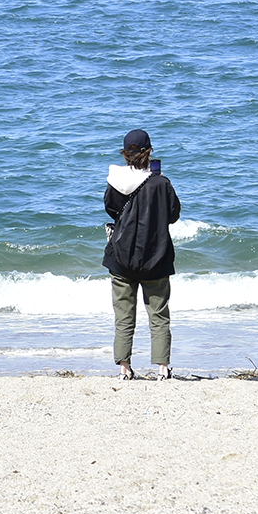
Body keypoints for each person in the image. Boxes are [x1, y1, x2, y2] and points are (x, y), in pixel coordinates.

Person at [103, 128, 181, 380]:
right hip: (156, 257)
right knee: (158, 315)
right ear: (149, 153)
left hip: (122, 257)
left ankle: (124, 368)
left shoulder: (115, 181)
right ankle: (162, 368)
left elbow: (111, 209)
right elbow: (173, 215)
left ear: (125, 155)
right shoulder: (161, 183)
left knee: (124, 314)